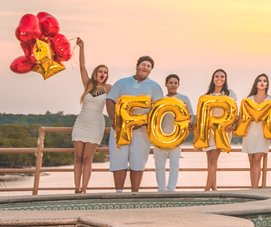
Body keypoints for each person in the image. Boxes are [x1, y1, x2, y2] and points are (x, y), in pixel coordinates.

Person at [105, 56, 163, 193]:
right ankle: (119, 193)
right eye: (143, 65)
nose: (145, 68)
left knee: (138, 162)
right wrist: (113, 118)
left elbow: (158, 109)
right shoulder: (121, 83)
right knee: (118, 160)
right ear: (137, 66)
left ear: (151, 70)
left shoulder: (155, 87)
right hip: (120, 129)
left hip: (141, 131)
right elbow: (110, 99)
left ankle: (134, 194)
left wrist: (141, 122)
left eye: (149, 66)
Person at [70, 37, 108, 194]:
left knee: (87, 159)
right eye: (100, 71)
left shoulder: (109, 89)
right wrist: (81, 48)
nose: (103, 74)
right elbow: (82, 67)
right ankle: (76, 188)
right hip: (81, 124)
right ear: (96, 73)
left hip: (96, 126)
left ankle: (84, 189)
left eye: (105, 72)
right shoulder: (88, 84)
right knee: (78, 157)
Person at [155, 74, 194, 192]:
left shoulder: (184, 98)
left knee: (174, 164)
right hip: (160, 136)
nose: (173, 85)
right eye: (170, 83)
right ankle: (161, 189)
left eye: (175, 83)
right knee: (159, 165)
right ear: (166, 84)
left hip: (176, 137)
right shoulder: (160, 100)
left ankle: (171, 189)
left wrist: (183, 128)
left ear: (178, 85)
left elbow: (190, 116)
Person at [201, 69, 237, 191]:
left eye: (222, 76)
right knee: (209, 160)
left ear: (225, 79)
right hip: (209, 131)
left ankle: (206, 189)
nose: (219, 78)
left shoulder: (229, 94)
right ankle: (214, 188)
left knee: (213, 159)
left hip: (223, 131)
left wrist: (232, 123)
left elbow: (235, 111)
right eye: (217, 76)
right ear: (213, 78)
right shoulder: (208, 96)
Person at [241, 74, 271, 189]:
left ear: (267, 84)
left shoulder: (270, 100)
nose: (262, 82)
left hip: (263, 132)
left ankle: (255, 188)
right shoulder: (248, 99)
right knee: (251, 160)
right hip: (250, 131)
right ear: (256, 83)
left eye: (264, 81)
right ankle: (252, 186)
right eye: (260, 80)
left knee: (257, 160)